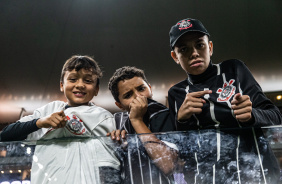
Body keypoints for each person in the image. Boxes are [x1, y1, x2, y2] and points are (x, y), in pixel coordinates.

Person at [168, 18, 282, 183]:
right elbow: (181, 154)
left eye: (200, 45)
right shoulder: (176, 93)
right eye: (184, 49)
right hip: (208, 179)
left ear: (210, 47)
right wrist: (182, 121)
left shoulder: (233, 70)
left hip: (255, 174)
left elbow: (276, 117)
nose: (194, 53)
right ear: (175, 57)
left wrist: (252, 115)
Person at [0, 55, 120, 184]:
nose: (80, 85)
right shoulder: (48, 110)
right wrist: (40, 122)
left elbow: (109, 162)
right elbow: (6, 135)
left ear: (96, 90)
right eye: (73, 79)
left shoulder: (102, 116)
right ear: (62, 85)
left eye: (88, 81)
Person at [108, 66, 179, 184]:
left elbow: (168, 165)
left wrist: (137, 120)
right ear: (119, 105)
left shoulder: (166, 115)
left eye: (141, 89)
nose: (138, 96)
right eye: (128, 95)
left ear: (150, 89)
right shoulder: (115, 121)